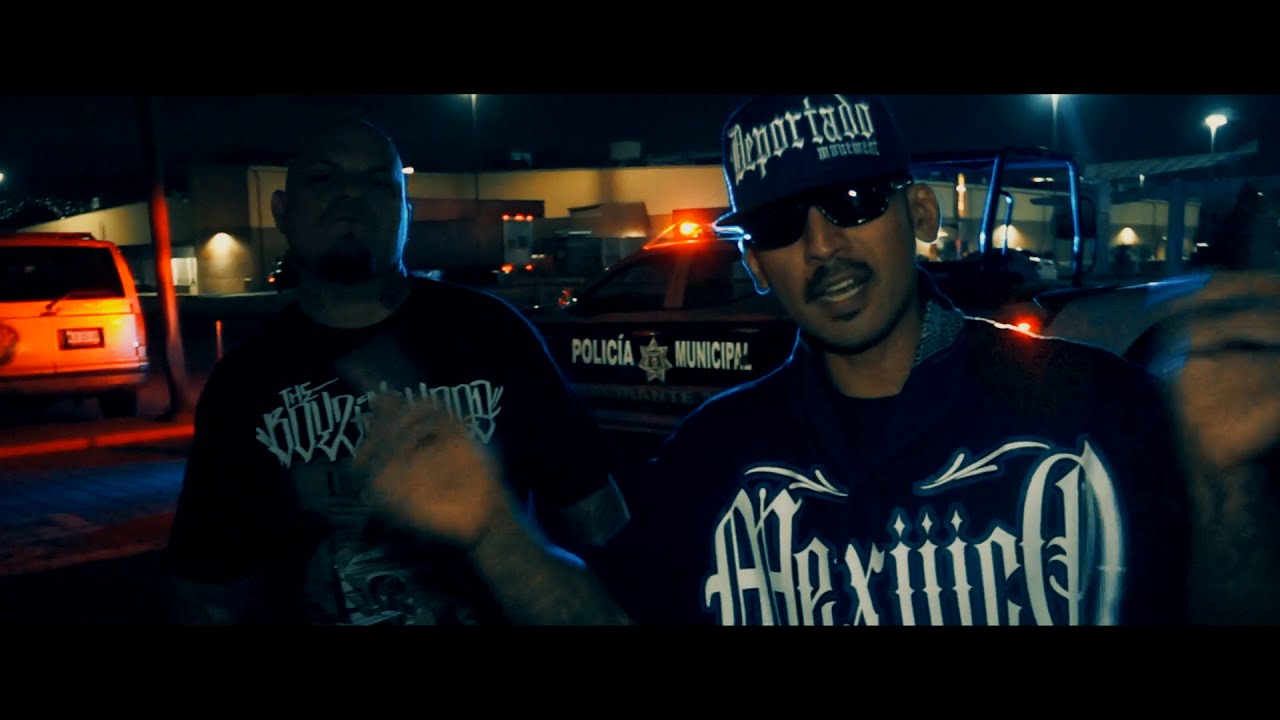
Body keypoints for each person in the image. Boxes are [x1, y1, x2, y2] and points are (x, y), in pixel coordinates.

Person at [343, 95, 1280, 626]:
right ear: (757, 262)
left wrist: (1228, 486)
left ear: (919, 215)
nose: (823, 244)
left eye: (856, 201)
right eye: (783, 223)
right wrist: (494, 534)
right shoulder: (716, 455)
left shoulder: (1097, 408)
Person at [165, 118, 629, 625]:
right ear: (282, 211)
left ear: (407, 212)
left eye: (377, 182)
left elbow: (600, 520)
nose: (350, 197)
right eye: (323, 178)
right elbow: (205, 583)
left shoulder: (493, 335)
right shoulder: (244, 381)